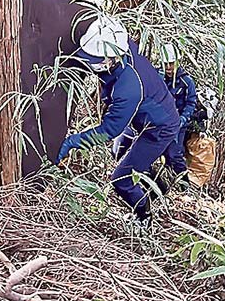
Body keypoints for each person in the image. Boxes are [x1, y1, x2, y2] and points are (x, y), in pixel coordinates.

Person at [57, 17, 180, 225]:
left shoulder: (128, 88)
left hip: (159, 128)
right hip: (144, 116)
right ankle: (152, 180)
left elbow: (109, 130)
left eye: (94, 60)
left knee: (121, 179)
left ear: (112, 59)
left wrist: (72, 142)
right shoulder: (119, 44)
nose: (89, 63)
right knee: (122, 153)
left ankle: (144, 217)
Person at [159, 43, 198, 180]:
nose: (169, 67)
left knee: (174, 154)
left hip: (178, 125)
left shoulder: (186, 82)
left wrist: (182, 119)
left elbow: (191, 102)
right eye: (166, 64)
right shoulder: (158, 79)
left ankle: (183, 184)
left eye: (171, 63)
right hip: (160, 123)